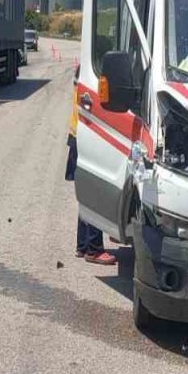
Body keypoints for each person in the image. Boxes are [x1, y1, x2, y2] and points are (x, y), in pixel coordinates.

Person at [66, 64, 117, 266]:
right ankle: (94, 249)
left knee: (87, 193)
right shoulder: (93, 80)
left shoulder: (83, 73)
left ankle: (83, 245)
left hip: (77, 136)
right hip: (88, 138)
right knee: (96, 193)